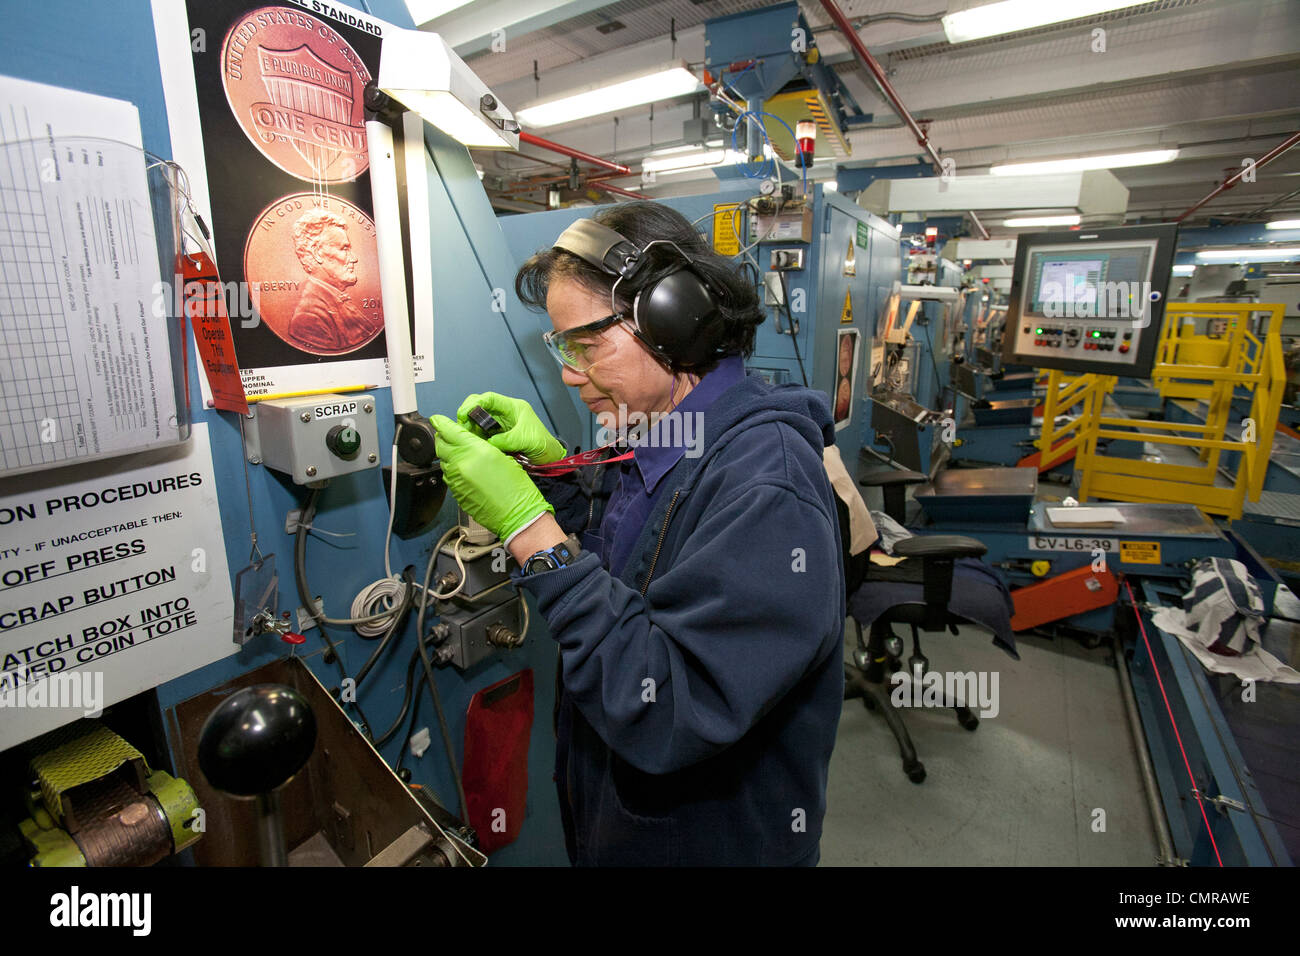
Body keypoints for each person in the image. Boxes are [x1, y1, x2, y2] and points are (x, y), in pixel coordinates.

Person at [430, 201, 845, 866]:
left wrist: (528, 529)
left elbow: (667, 707)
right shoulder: (671, 435)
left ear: (674, 321)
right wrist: (556, 480)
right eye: (560, 348)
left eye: (585, 345)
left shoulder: (768, 487)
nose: (569, 374)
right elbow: (639, 557)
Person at [286, 209, 382, 353]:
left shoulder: (335, 301)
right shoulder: (309, 318)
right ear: (316, 252)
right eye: (344, 248)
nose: (354, 258)